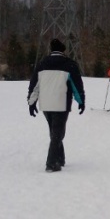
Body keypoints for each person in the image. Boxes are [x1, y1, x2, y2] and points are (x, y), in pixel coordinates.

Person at [27, 38, 85, 172]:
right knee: (58, 133)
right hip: (61, 103)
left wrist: (31, 102)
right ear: (63, 50)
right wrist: (81, 101)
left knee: (55, 132)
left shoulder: (42, 64)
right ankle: (51, 163)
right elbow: (76, 86)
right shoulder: (69, 64)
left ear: (51, 49)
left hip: (46, 103)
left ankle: (60, 158)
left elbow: (34, 85)